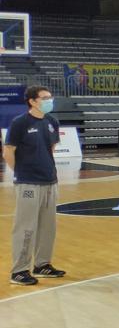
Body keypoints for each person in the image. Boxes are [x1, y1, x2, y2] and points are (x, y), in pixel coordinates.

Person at [5, 86, 66, 286]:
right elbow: (8, 152)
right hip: (28, 182)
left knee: (48, 226)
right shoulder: (20, 123)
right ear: (32, 101)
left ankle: (42, 265)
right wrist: (21, 174)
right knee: (25, 227)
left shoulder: (52, 122)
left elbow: (51, 149)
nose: (50, 100)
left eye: (50, 97)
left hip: (50, 181)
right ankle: (19, 271)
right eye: (45, 98)